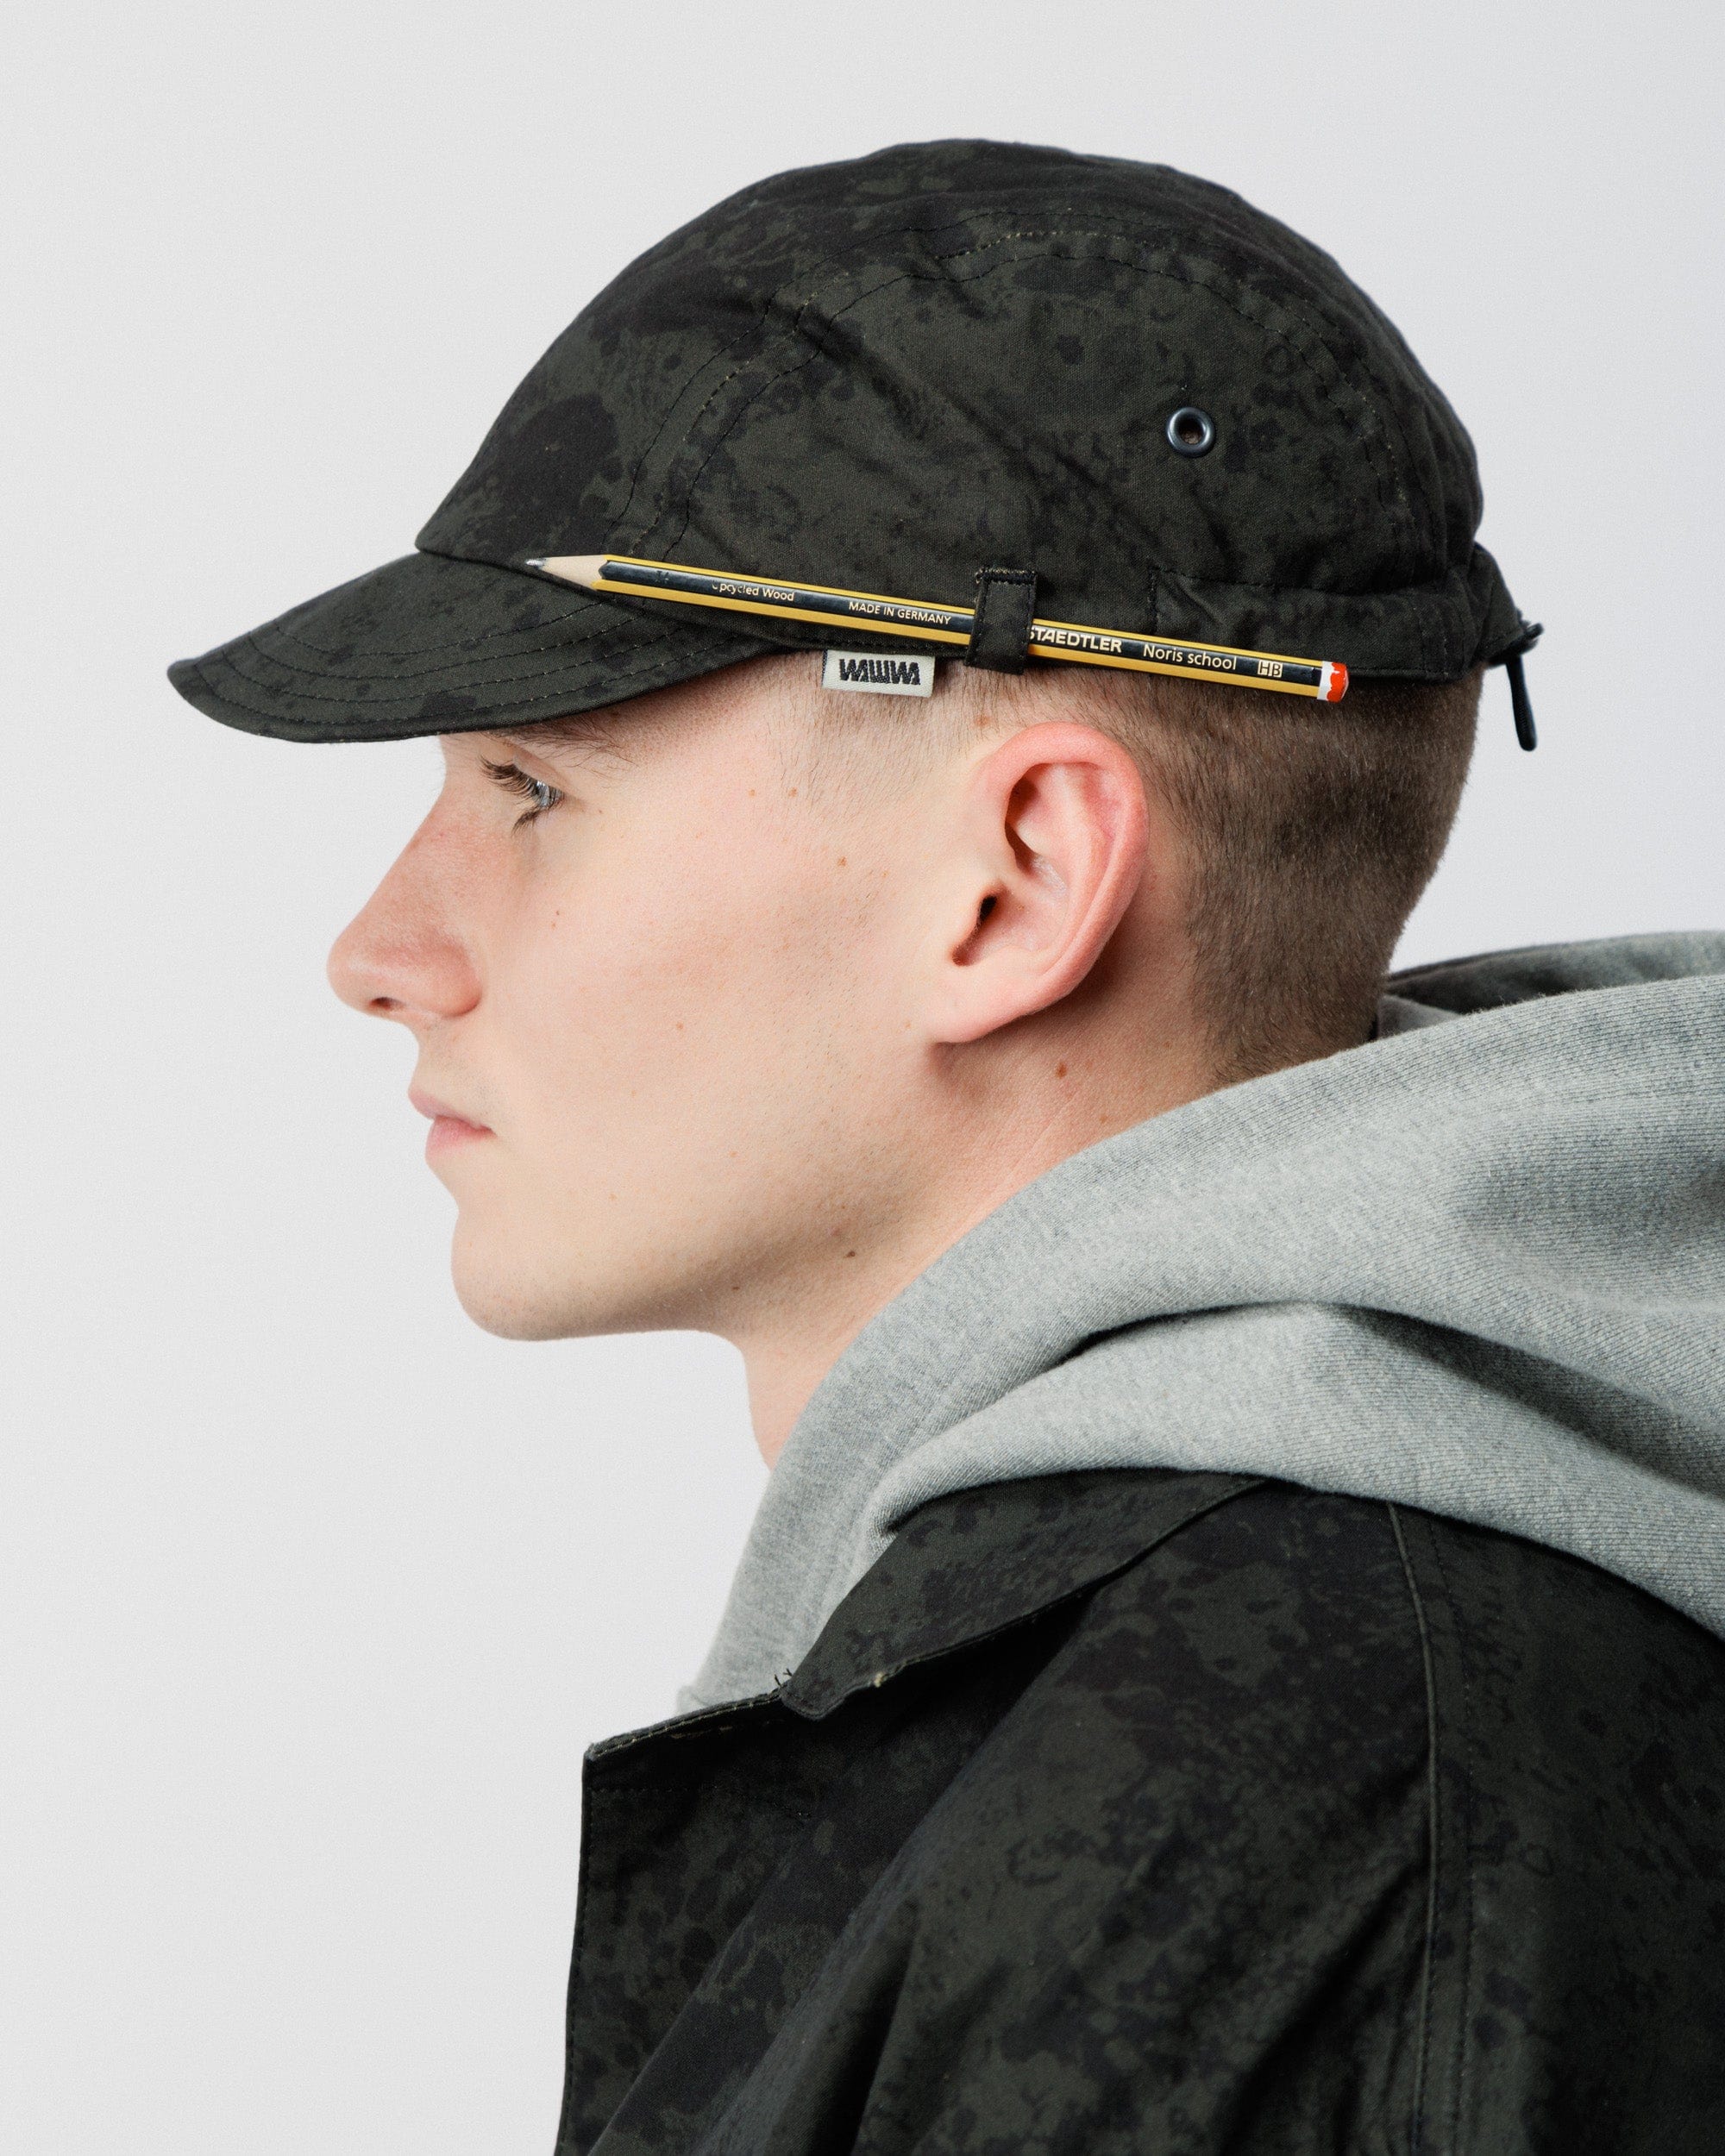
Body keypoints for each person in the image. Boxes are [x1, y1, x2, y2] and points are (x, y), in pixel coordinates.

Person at [168, 141, 1724, 2153]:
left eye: (534, 788)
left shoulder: (1244, 1796)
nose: (378, 952)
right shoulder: (1208, 1684)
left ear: (1013, 881)